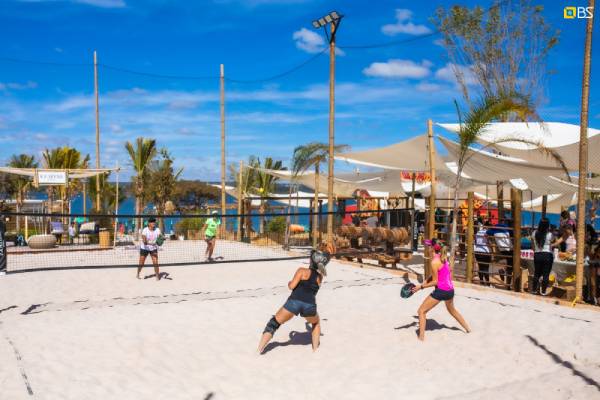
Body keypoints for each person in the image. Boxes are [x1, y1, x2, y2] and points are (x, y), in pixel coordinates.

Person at [257, 243, 334, 353]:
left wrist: (289, 283)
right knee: (316, 323)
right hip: (310, 305)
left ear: (312, 259)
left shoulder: (301, 271)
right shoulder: (320, 277)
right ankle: (315, 351)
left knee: (273, 323)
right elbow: (312, 292)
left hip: (294, 302)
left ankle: (259, 350)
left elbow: (292, 286)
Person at [411, 239, 471, 341]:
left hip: (441, 291)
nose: (427, 247)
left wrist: (420, 287)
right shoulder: (443, 257)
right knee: (452, 310)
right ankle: (468, 329)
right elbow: (437, 274)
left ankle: (421, 337)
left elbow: (436, 282)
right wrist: (425, 282)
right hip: (450, 291)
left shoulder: (434, 262)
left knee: (421, 311)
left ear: (431, 249)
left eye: (428, 246)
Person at [531, 218, 556, 295]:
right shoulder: (550, 235)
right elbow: (554, 244)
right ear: (547, 225)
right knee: (546, 274)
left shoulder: (534, 233)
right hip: (547, 255)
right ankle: (543, 291)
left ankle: (534, 290)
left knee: (536, 273)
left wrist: (537, 250)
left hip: (537, 254)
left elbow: (532, 247)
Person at [488, 219, 513, 287]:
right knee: (512, 265)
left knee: (510, 264)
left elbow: (487, 232)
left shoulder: (494, 230)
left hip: (502, 250)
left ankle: (503, 271)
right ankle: (508, 284)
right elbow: (513, 234)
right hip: (509, 249)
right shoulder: (507, 229)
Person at [474, 220, 491, 286]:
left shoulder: (478, 232)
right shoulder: (487, 232)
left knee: (480, 267)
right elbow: (489, 242)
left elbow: (476, 241)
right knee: (486, 268)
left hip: (477, 251)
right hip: (485, 252)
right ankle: (488, 283)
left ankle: (481, 281)